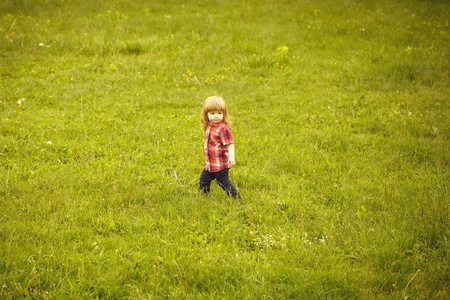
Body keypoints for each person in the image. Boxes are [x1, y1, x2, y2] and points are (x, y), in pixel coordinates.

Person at [199, 96, 241, 199]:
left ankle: (236, 198)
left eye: (219, 113)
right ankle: (203, 198)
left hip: (221, 164)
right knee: (204, 180)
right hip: (210, 163)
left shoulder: (223, 129)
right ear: (206, 114)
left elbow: (230, 144)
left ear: (224, 114)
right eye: (212, 113)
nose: (216, 116)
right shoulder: (209, 126)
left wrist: (231, 157)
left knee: (223, 182)